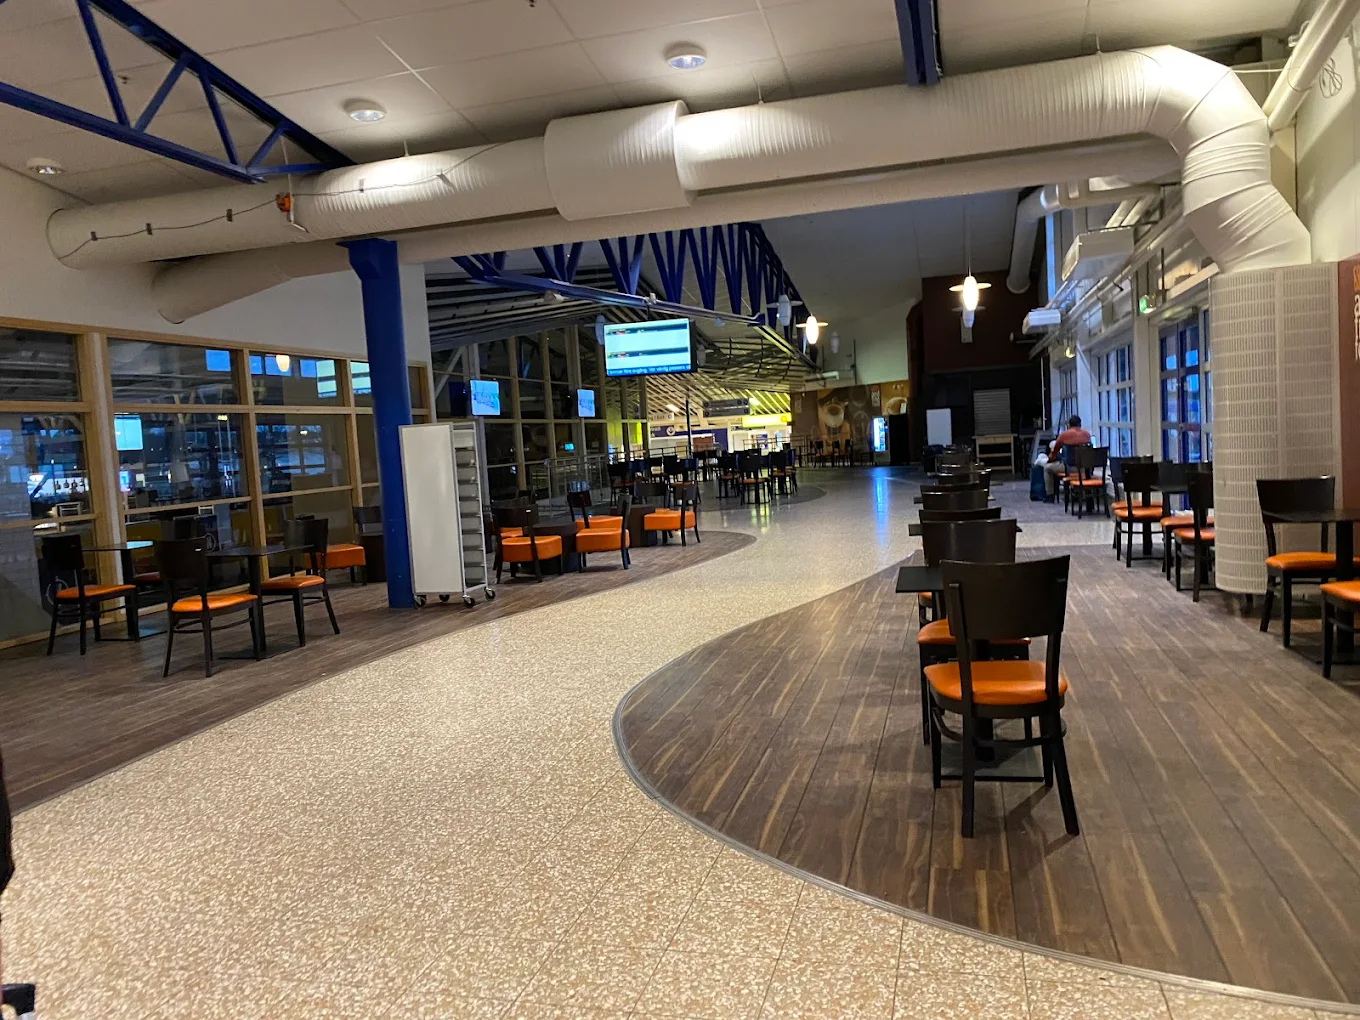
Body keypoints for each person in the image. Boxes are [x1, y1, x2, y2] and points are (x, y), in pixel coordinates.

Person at [1043, 415, 1092, 499]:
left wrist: (1050, 459)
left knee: (1047, 468)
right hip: (1084, 468)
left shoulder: (1064, 435)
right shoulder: (1087, 435)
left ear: (1069, 425)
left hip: (1069, 468)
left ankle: (1050, 495)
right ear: (1080, 424)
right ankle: (1082, 495)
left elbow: (1054, 453)